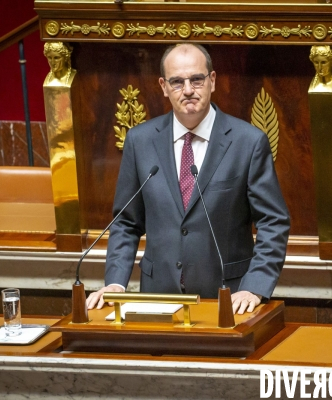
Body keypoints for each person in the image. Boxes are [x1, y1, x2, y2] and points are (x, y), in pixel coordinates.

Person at [86, 43, 290, 314]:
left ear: (212, 81)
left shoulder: (248, 143)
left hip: (228, 298)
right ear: (163, 86)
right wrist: (115, 283)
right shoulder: (140, 141)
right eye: (177, 82)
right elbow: (126, 222)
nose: (189, 90)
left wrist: (255, 286)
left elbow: (273, 221)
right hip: (157, 298)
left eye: (197, 79)